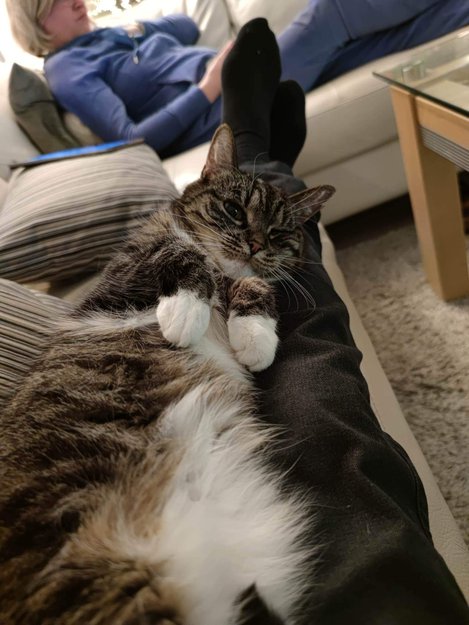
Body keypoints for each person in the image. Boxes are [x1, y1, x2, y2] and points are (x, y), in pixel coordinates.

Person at [6, 0, 469, 159]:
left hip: (238, 78)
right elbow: (132, 140)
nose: (73, 0)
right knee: (328, 13)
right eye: (55, 0)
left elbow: (184, 28)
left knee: (369, 47)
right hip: (222, 107)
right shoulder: (67, 69)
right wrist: (207, 86)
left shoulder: (105, 37)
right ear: (36, 21)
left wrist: (134, 29)